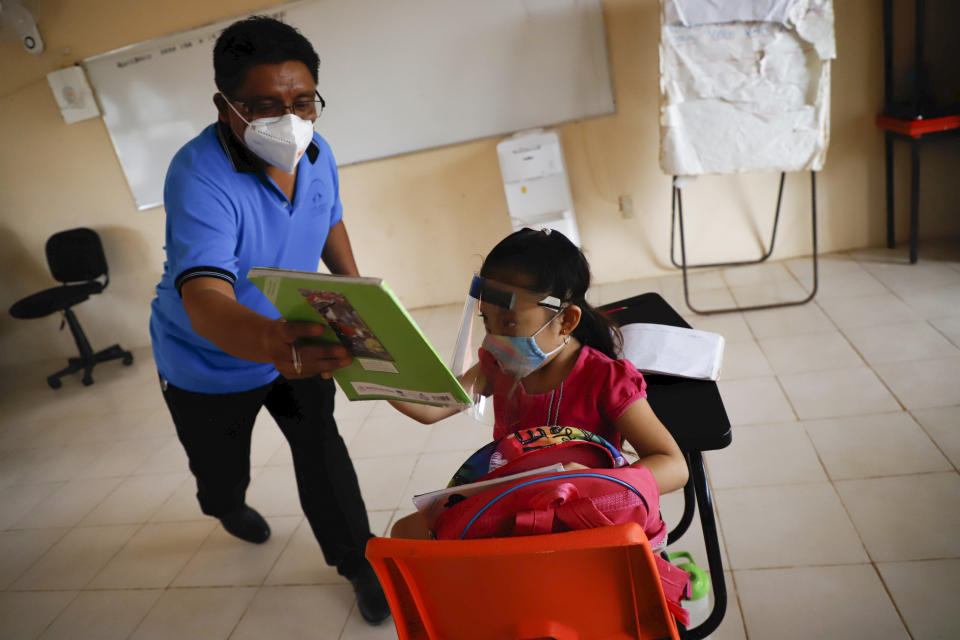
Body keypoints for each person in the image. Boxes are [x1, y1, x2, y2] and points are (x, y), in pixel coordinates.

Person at [148, 16, 388, 624]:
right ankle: (225, 506)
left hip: (294, 333)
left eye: (302, 101)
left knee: (323, 451)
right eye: (265, 105)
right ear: (225, 106)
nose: (290, 119)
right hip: (208, 359)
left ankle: (358, 562)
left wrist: (353, 294)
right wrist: (271, 342)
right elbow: (203, 294)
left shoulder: (316, 149)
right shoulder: (199, 174)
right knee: (221, 477)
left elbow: (328, 214)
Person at [389, 227, 689, 539]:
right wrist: (371, 372)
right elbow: (431, 409)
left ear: (566, 321)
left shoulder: (605, 379)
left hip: (581, 513)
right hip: (515, 500)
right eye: (487, 321)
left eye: (508, 323)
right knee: (403, 534)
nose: (493, 340)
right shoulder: (497, 363)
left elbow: (674, 465)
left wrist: (603, 481)